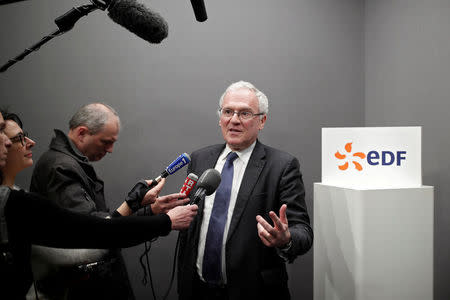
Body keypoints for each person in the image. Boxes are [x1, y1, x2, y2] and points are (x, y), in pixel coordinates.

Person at [0, 111, 199, 299]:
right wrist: (165, 221)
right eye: (106, 142)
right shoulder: (59, 168)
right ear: (82, 133)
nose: (11, 142)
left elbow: (98, 231)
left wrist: (146, 209)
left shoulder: (20, 195)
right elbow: (95, 235)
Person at [177, 81, 313, 300]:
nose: (234, 120)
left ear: (262, 121)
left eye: (245, 113)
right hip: (197, 289)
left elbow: (303, 231)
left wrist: (286, 239)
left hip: (253, 290)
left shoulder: (282, 166)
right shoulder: (200, 159)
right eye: (228, 111)